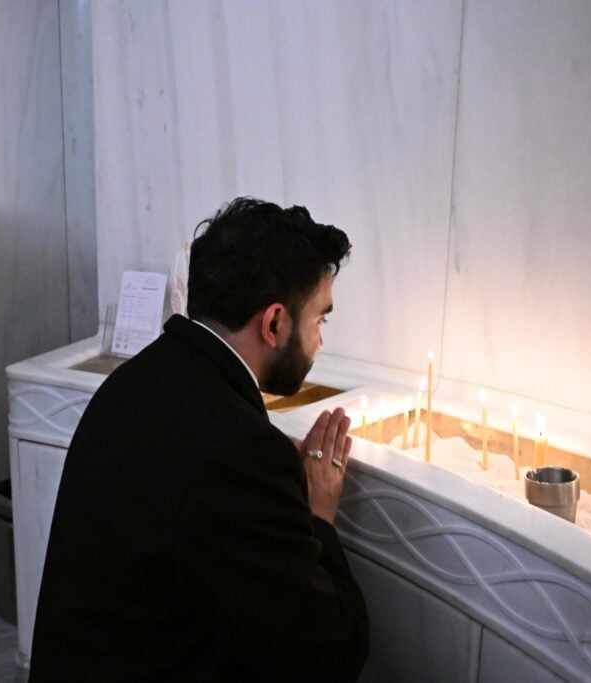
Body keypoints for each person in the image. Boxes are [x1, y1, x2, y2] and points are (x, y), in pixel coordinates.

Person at [30, 197, 369, 681]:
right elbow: (329, 654)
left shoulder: (139, 378)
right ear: (274, 323)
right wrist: (318, 517)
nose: (320, 340)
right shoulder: (239, 452)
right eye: (320, 319)